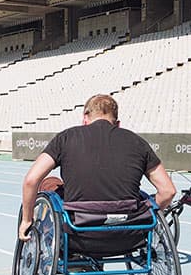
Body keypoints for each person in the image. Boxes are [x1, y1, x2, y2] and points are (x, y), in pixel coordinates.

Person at [18, 94, 175, 242]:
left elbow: (31, 181)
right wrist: (145, 215)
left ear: (85, 119)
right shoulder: (138, 142)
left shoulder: (66, 138)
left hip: (78, 232)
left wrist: (26, 220)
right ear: (118, 124)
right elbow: (168, 191)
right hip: (128, 235)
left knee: (49, 183)